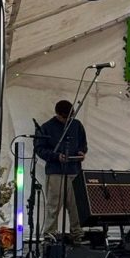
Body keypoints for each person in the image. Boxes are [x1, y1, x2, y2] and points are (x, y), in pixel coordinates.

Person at [34, 99, 87, 244]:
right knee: (53, 206)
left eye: (70, 117)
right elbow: (39, 149)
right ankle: (50, 234)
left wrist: (82, 152)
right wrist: (56, 156)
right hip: (56, 171)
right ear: (57, 114)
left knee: (76, 206)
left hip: (74, 170)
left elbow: (83, 143)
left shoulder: (76, 125)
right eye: (64, 117)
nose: (67, 120)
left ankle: (77, 233)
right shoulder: (46, 127)